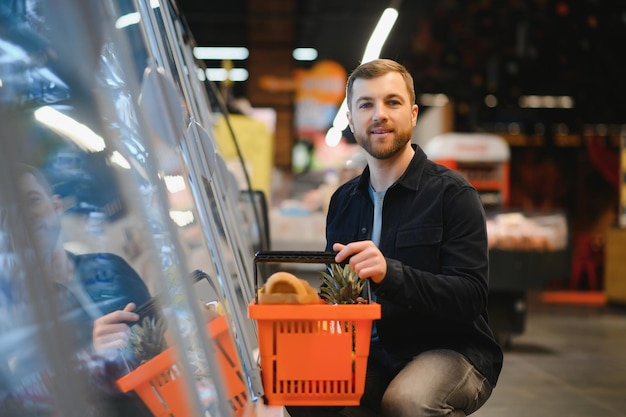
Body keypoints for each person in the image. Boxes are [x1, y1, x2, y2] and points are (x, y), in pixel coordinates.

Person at [289, 59, 503, 416]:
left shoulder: (453, 194)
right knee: (306, 392)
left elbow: (470, 296)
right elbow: (338, 296)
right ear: (352, 119)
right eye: (366, 104)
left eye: (392, 102)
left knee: (406, 401)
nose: (379, 115)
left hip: (451, 348)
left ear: (414, 114)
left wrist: (392, 274)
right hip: (373, 351)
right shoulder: (343, 201)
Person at [2, 164, 154, 417]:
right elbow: (21, 403)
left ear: (57, 206)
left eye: (32, 201)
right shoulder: (13, 317)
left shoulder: (112, 269)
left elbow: (160, 337)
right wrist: (93, 360)